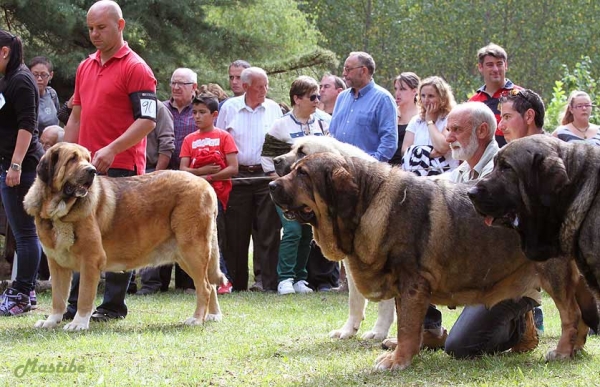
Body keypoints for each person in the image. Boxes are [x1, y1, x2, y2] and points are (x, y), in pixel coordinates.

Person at [62, 0, 157, 322]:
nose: (94, 34)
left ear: (120, 25)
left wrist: (113, 148)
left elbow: (147, 121)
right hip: (83, 167)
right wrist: (63, 155)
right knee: (80, 235)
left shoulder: (136, 67)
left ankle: (113, 306)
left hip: (121, 165)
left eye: (101, 27)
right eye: (90, 28)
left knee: (120, 235)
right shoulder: (85, 65)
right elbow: (76, 114)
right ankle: (76, 307)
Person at [443, 101, 541, 358]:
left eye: (456, 129)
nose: (449, 136)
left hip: (509, 278)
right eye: (447, 129)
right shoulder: (460, 172)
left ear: (482, 131)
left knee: (459, 348)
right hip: (476, 273)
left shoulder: (504, 171)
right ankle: (430, 328)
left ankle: (519, 328)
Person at [216, 66, 282, 292]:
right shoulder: (229, 108)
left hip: (266, 176)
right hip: (238, 176)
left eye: (266, 85)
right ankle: (235, 281)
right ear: (245, 87)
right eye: (259, 86)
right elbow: (219, 140)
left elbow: (281, 144)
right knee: (235, 232)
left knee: (268, 230)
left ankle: (267, 282)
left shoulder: (274, 108)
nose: (265, 90)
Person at [261, 76, 329, 295]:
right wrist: (281, 185)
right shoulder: (281, 125)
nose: (317, 100)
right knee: (292, 230)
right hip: (287, 189)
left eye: (318, 95)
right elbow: (267, 158)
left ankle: (300, 278)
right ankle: (285, 279)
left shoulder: (323, 121)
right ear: (297, 99)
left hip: (312, 190)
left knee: (308, 231)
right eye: (312, 96)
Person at [0, 30, 44, 316]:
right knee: (20, 232)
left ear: (4, 52)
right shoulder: (6, 79)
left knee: (25, 234)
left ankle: (21, 293)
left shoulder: (22, 80)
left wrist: (15, 164)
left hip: (22, 168)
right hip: (7, 163)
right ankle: (25, 290)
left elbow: (27, 125)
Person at [179, 93, 238, 295]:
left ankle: (222, 280)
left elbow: (233, 168)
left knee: (214, 239)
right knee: (195, 239)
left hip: (218, 197)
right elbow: (183, 169)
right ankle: (198, 280)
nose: (197, 116)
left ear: (214, 114)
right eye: (194, 112)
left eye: (202, 112)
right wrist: (201, 173)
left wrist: (211, 179)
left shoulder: (223, 137)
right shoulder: (189, 139)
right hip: (194, 199)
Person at [163, 67, 199, 291]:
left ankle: (188, 282)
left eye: (182, 84)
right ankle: (157, 282)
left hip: (193, 177)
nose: (176, 87)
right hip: (164, 176)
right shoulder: (161, 108)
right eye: (173, 83)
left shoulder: (200, 109)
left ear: (194, 87)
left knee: (188, 229)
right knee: (161, 227)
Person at [135, 101, 175, 296]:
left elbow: (166, 145)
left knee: (150, 228)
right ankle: (126, 284)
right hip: (122, 172)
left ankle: (150, 283)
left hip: (150, 171)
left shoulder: (156, 108)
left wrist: (155, 176)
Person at [329, 51, 397, 161]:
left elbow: (389, 142)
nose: (344, 74)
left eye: (348, 69)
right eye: (344, 69)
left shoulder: (383, 99)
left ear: (363, 70)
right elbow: (332, 134)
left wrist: (372, 167)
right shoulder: (342, 97)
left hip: (366, 173)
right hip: (339, 170)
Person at [401, 76, 458, 176]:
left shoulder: (451, 118)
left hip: (445, 177)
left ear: (442, 98)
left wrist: (430, 121)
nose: (426, 100)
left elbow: (442, 147)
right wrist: (427, 154)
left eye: (431, 96)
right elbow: (405, 149)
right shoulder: (416, 120)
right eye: (423, 96)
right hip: (417, 178)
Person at [469, 43, 522, 147]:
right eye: (490, 65)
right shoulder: (473, 102)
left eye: (499, 64)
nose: (495, 69)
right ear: (480, 67)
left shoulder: (521, 96)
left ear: (505, 65)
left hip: (515, 158)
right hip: (483, 160)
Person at [389, 72, 420, 166]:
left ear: (414, 91)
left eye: (402, 89)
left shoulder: (421, 116)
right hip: (387, 164)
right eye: (396, 89)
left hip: (411, 166)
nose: (397, 93)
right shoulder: (391, 112)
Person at [28, 56, 60, 134]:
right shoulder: (25, 97)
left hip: (52, 144)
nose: (39, 79)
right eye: (35, 74)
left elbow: (59, 118)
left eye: (43, 75)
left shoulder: (52, 94)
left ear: (51, 75)